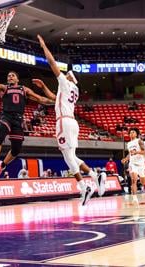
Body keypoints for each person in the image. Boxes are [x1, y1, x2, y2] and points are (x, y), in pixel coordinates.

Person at [34, 34, 105, 205]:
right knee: (71, 156)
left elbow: (52, 64)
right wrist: (43, 86)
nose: (63, 75)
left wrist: (44, 46)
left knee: (67, 157)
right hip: (72, 122)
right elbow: (53, 97)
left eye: (66, 75)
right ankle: (95, 176)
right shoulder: (72, 91)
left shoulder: (66, 84)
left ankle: (83, 187)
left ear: (70, 79)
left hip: (63, 122)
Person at [0, 60, 55, 179]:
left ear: (17, 80)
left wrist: (55, 101)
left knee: (16, 150)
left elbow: (40, 99)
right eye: (8, 76)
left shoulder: (24, 89)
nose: (10, 77)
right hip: (6, 116)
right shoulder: (3, 88)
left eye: (12, 75)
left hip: (18, 120)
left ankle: (2, 165)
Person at [121, 128, 145, 205]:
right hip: (132, 163)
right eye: (130, 132)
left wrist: (137, 152)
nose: (131, 134)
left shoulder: (139, 141)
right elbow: (130, 153)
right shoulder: (128, 144)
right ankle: (134, 198)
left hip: (141, 163)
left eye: (133, 132)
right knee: (134, 179)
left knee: (142, 181)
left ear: (136, 134)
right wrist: (126, 159)